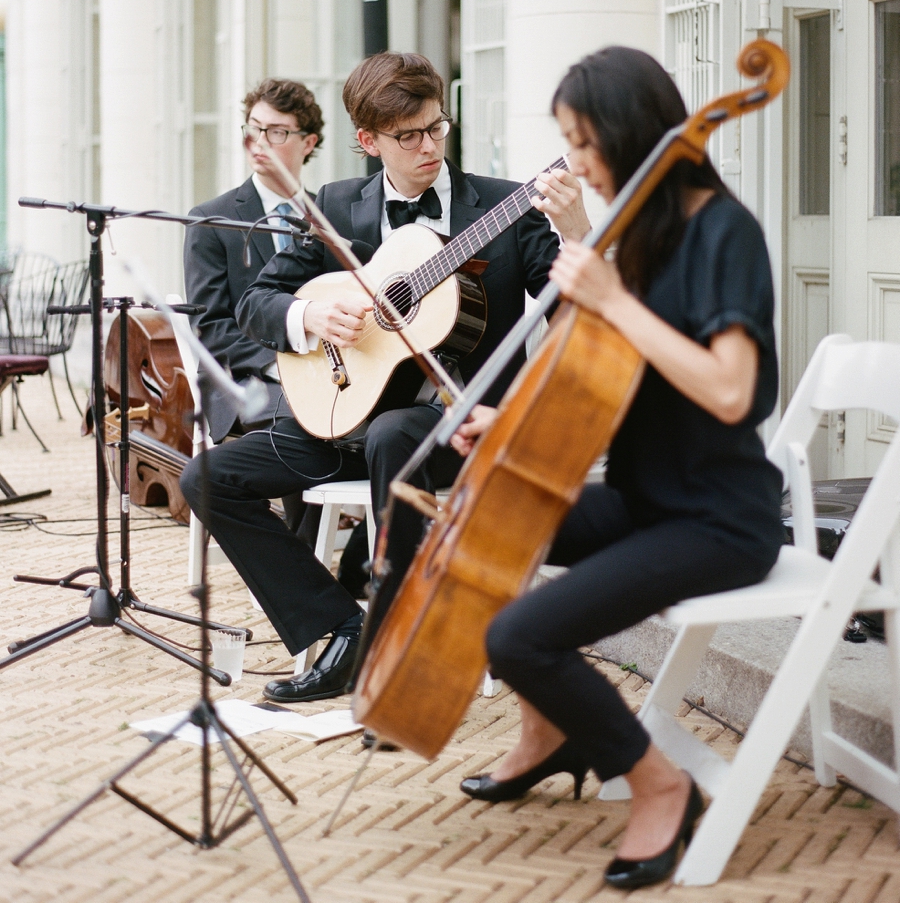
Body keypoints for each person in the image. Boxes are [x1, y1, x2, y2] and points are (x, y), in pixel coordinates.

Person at [448, 46, 784, 891]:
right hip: (648, 499)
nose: (577, 165)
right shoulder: (643, 235)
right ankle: (548, 730)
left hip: (718, 521)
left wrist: (614, 299)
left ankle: (660, 785)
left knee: (519, 634)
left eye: (585, 144)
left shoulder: (722, 232)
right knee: (466, 510)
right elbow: (613, 380)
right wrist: (507, 423)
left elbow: (731, 391)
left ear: (635, 137)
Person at [180, 50, 589, 704]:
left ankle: (412, 640)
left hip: (455, 425)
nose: (429, 146)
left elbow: (580, 305)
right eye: (408, 137)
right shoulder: (338, 207)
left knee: (396, 433)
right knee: (208, 477)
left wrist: (577, 232)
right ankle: (340, 626)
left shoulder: (506, 207)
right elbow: (257, 303)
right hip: (342, 411)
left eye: (436, 128)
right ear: (368, 142)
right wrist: (311, 313)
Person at [184, 78, 323, 444]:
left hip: (324, 371)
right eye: (254, 129)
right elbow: (210, 329)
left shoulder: (328, 215)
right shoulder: (212, 219)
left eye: (277, 132)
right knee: (306, 421)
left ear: (308, 142)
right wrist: (282, 363)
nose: (260, 143)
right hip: (243, 381)